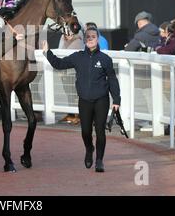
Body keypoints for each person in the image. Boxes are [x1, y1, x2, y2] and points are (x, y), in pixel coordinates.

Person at [42, 27, 121, 173]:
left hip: (101, 100)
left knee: (100, 131)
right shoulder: (77, 57)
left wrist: (116, 100)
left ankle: (99, 161)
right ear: (84, 39)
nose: (90, 39)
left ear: (98, 39)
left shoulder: (105, 59)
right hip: (84, 99)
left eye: (93, 37)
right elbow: (59, 64)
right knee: (85, 131)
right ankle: (89, 149)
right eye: (88, 37)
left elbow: (112, 80)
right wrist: (47, 52)